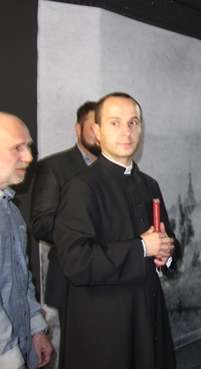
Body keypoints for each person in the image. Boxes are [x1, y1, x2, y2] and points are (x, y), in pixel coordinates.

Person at [52, 92, 179, 369]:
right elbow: (76, 262)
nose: (126, 131)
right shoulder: (80, 188)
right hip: (105, 327)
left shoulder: (149, 184)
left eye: (133, 122)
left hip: (148, 317)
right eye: (115, 123)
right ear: (97, 131)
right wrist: (142, 247)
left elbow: (166, 238)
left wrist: (167, 253)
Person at [30, 101, 99, 362]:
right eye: (92, 125)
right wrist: (91, 229)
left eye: (102, 125)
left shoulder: (117, 169)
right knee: (80, 356)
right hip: (72, 279)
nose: (98, 132)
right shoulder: (54, 167)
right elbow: (40, 223)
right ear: (77, 129)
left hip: (113, 277)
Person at [0, 112, 53, 369]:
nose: (30, 157)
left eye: (29, 147)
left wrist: (36, 330)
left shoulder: (10, 210)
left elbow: (21, 279)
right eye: (17, 148)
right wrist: (10, 361)